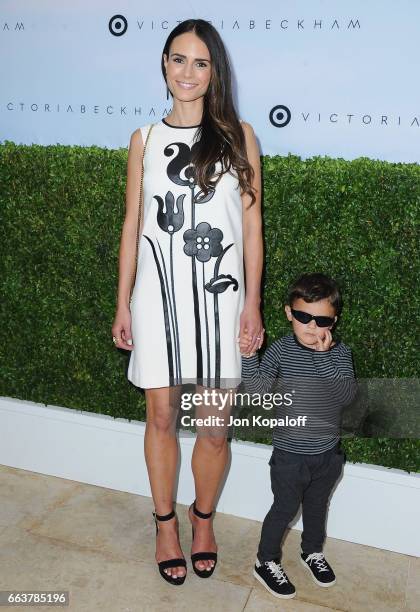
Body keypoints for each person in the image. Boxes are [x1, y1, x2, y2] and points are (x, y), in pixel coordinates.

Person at [111, 19, 264, 585]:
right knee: (161, 416)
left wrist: (252, 304)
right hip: (157, 297)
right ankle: (165, 525)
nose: (188, 73)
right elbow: (133, 224)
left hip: (223, 301)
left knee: (215, 426)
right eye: (178, 59)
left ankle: (202, 520)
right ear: (164, 64)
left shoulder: (240, 137)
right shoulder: (144, 141)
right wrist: (123, 302)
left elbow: (252, 228)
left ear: (215, 71)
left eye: (201, 63)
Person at [240, 273, 357, 599]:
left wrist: (323, 358)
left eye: (321, 320)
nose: (311, 326)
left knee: (318, 506)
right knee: (285, 506)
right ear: (289, 313)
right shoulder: (279, 350)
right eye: (303, 316)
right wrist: (249, 358)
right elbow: (260, 393)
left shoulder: (339, 353)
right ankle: (265, 561)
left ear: (333, 321)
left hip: (327, 454)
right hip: (290, 455)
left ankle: (312, 551)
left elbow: (346, 395)